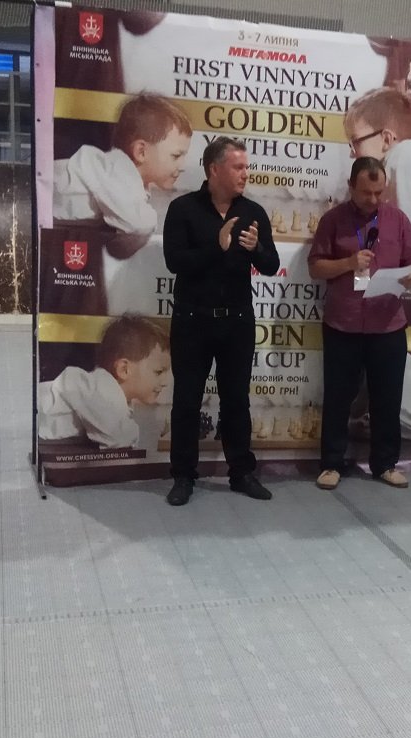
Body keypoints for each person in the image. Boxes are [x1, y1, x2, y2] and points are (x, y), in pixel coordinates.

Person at [162, 136, 280, 506]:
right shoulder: (182, 209)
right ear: (214, 169)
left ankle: (241, 473)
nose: (246, 173)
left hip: (237, 323)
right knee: (186, 401)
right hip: (192, 322)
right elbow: (175, 261)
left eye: (247, 166)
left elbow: (271, 265)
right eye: (238, 167)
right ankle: (183, 476)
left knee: (236, 402)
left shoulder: (253, 212)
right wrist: (218, 245)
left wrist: (256, 248)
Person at [308, 157, 411, 490]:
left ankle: (385, 464)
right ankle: (331, 464)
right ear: (351, 187)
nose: (373, 199)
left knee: (387, 398)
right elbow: (315, 267)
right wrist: (348, 262)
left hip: (388, 324)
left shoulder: (398, 220)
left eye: (379, 192)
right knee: (338, 397)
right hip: (342, 324)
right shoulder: (333, 220)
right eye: (366, 192)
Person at [54, 93, 193, 258]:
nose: (182, 166)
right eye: (176, 156)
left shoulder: (129, 180)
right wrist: (153, 218)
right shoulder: (115, 172)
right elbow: (137, 225)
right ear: (141, 152)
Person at [38, 314, 171, 449]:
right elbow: (118, 437)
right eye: (159, 372)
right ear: (124, 370)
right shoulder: (98, 389)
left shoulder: (113, 396)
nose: (165, 382)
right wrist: (157, 427)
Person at [344, 87, 411, 248]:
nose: (352, 154)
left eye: (356, 142)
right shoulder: (408, 157)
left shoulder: (401, 161)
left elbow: (397, 234)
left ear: (386, 139)